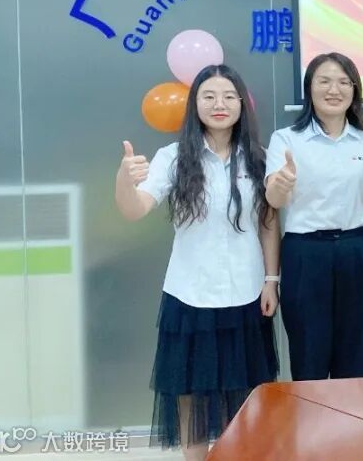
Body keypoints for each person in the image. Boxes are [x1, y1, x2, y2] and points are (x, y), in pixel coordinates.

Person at [115, 64, 279, 461]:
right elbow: (135, 209)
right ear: (195, 104)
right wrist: (124, 179)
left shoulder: (259, 158)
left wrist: (271, 279)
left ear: (241, 104)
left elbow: (268, 223)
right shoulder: (173, 157)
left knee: (243, 394)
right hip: (190, 294)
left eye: (228, 96)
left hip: (245, 293)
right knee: (191, 394)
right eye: (209, 96)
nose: (219, 104)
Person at [265, 52, 363, 380]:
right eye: (324, 81)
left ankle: (349, 415)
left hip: (358, 252)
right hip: (305, 254)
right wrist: (280, 184)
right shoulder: (286, 139)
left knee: (354, 357)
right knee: (309, 356)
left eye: (343, 82)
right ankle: (310, 415)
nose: (334, 90)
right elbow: (273, 201)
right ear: (310, 88)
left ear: (354, 90)